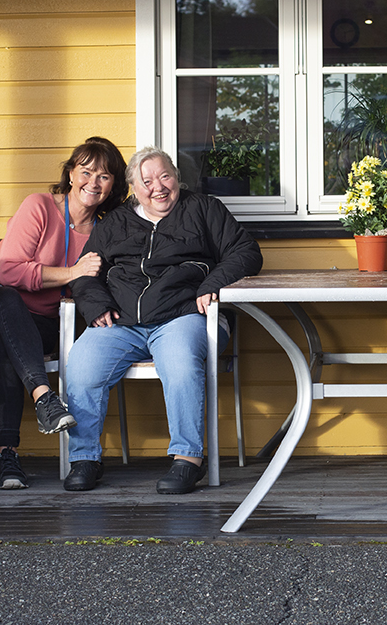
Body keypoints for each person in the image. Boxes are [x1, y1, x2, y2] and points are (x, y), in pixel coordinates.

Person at [63, 147, 262, 495]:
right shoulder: (115, 223)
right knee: (81, 364)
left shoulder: (203, 209)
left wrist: (212, 283)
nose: (158, 186)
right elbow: (85, 273)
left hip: (183, 315)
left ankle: (188, 460)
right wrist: (95, 305)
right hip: (122, 322)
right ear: (133, 189)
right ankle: (85, 459)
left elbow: (245, 252)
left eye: (165, 176)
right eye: (147, 180)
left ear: (177, 178)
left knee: (180, 363)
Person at [0, 137, 128, 490]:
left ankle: (8, 457)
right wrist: (72, 272)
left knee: (1, 342)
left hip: (38, 325)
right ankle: (44, 397)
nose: (93, 182)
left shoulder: (103, 233)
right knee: (7, 299)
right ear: (69, 174)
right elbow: (10, 273)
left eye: (104, 176)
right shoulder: (40, 206)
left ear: (114, 187)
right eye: (86, 171)